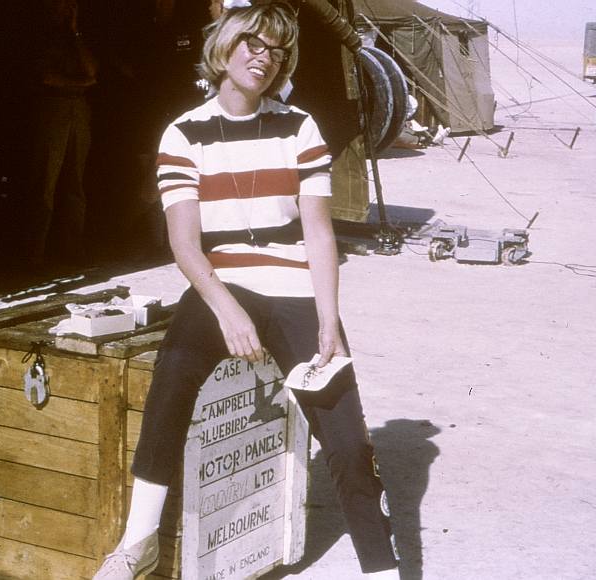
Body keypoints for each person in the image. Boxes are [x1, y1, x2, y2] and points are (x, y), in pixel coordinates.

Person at [93, 3, 400, 579]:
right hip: (221, 284)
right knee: (174, 372)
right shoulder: (183, 134)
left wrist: (329, 319)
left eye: (278, 50)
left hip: (292, 287)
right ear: (226, 47)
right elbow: (186, 246)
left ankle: (381, 570)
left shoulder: (300, 127)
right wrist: (229, 312)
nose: (265, 57)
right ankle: (138, 542)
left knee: (348, 440)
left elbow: (317, 231)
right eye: (254, 44)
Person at [24, 0, 97, 266]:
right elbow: (46, 78)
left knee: (74, 182)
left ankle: (72, 249)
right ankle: (34, 252)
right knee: (45, 182)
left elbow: (92, 71)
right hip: (51, 108)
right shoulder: (40, 36)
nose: (67, 10)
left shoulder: (73, 38)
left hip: (76, 108)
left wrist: (75, 31)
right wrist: (81, 83)